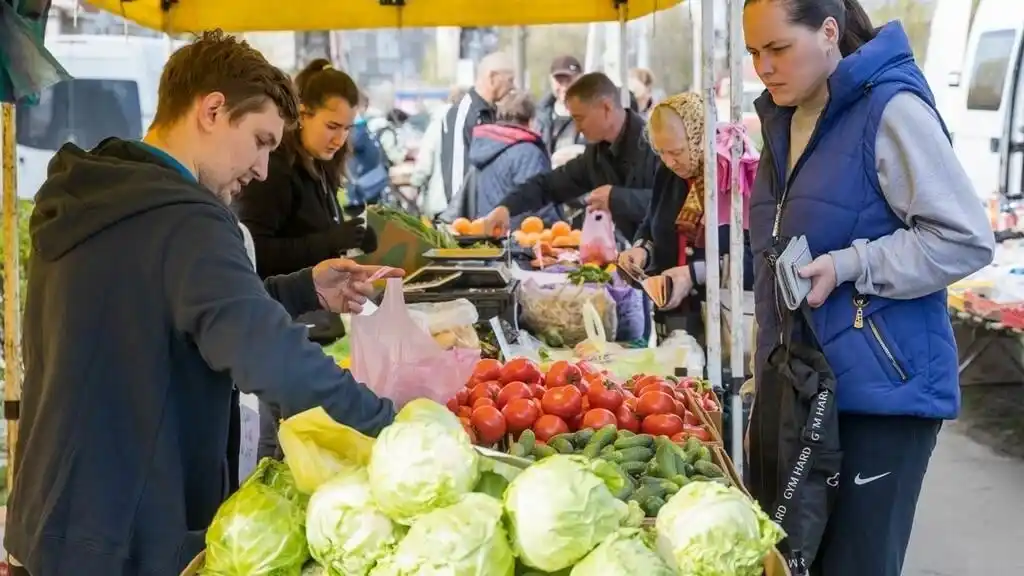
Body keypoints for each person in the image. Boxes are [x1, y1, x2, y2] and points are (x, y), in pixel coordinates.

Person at [4, 31, 402, 576]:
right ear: (213, 110)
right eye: (261, 140)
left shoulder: (104, 193)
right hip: (124, 536)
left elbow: (160, 316)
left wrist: (302, 289)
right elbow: (272, 359)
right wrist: (393, 425)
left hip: (55, 516)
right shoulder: (185, 218)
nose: (264, 168)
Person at [742, 1, 995, 574]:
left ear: (829, 32)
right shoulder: (785, 119)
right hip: (803, 389)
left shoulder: (891, 109)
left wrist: (852, 264)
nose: (764, 67)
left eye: (778, 48)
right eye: (754, 53)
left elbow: (965, 237)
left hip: (881, 396)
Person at [235, 58, 377, 461]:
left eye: (347, 128)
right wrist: (328, 240)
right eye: (332, 126)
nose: (339, 138)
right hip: (285, 322)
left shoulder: (318, 168)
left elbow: (308, 234)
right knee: (282, 442)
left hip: (314, 324)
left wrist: (350, 235)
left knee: (298, 438)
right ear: (302, 115)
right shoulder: (274, 171)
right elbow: (257, 252)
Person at [617, 92, 755, 343]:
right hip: (672, 324)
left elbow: (757, 259)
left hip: (724, 328)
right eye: (661, 152)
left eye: (677, 151)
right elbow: (652, 223)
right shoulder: (669, 173)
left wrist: (692, 274)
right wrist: (642, 251)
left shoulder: (737, 177)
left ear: (699, 138)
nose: (669, 162)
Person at [481, 72, 657, 243]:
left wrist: (617, 198)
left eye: (580, 118)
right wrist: (506, 207)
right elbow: (549, 185)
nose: (578, 128)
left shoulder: (657, 143)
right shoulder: (597, 155)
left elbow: (674, 203)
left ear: (607, 107)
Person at [440, 93, 559, 227]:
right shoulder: (529, 153)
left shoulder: (484, 146)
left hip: (486, 235)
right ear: (532, 120)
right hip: (519, 240)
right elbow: (542, 204)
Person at [440, 51, 516, 202]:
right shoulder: (463, 113)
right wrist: (462, 221)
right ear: (492, 77)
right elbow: (456, 176)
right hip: (469, 219)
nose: (512, 87)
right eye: (509, 80)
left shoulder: (492, 113)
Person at [409, 86, 467, 219]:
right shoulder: (473, 122)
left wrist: (415, 183)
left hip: (441, 200)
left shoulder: (439, 122)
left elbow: (425, 161)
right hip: (467, 202)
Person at [536, 55, 586, 154]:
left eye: (569, 81)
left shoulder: (593, 115)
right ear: (551, 80)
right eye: (559, 81)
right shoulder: (539, 117)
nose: (564, 87)